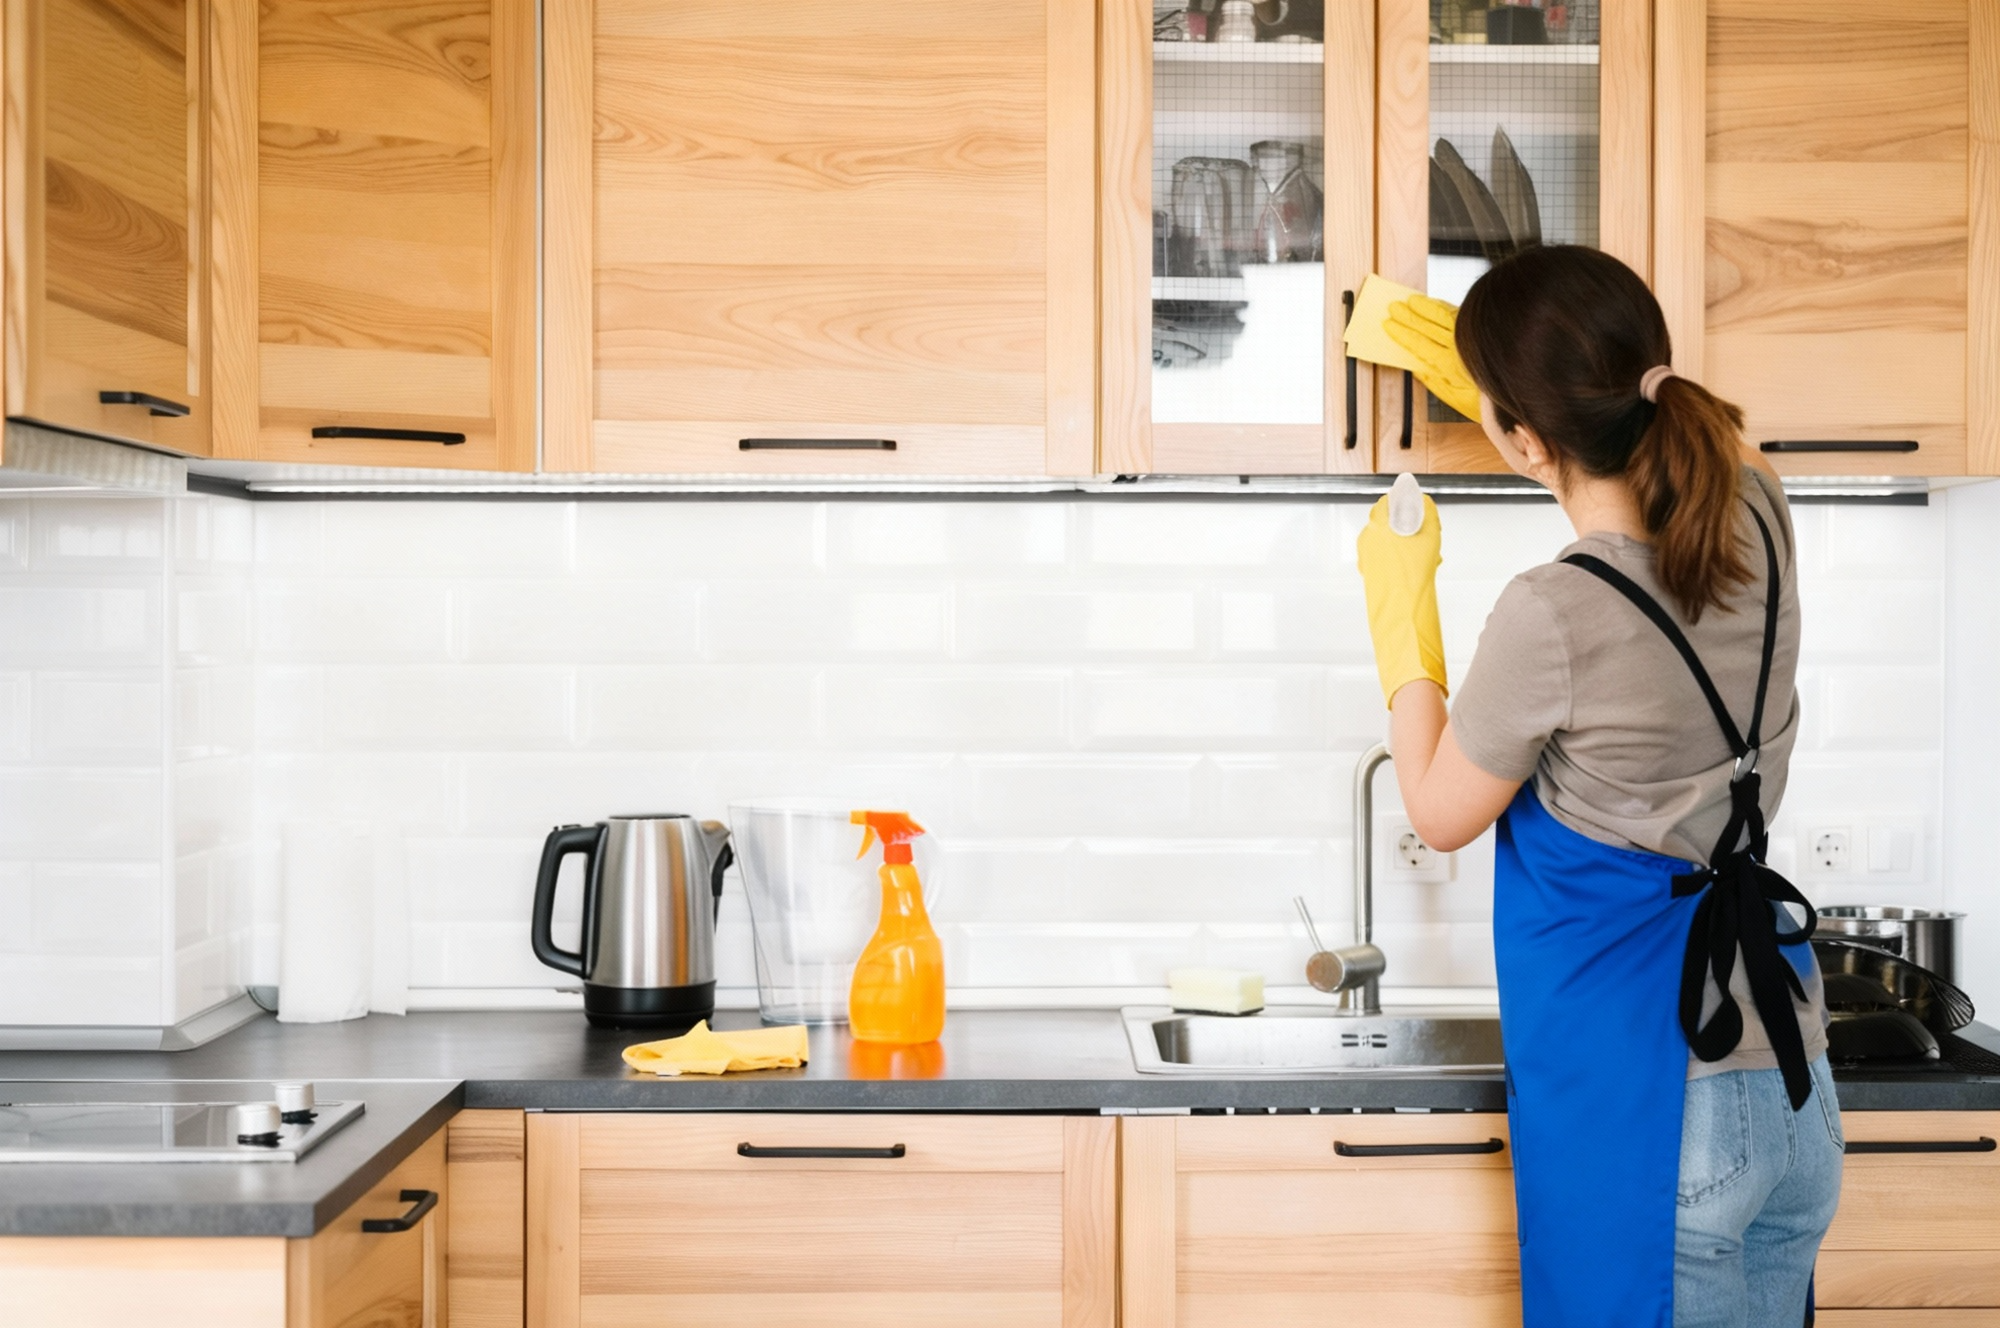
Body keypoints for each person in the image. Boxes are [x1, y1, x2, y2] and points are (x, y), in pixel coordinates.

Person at [1357, 246, 1841, 1328]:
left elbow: (1437, 811)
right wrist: (1514, 389)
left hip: (1656, 1108)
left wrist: (1400, 620)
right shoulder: (1759, 510)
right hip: (1790, 1084)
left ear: (1522, 435)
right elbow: (1689, 429)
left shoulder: (1553, 611)